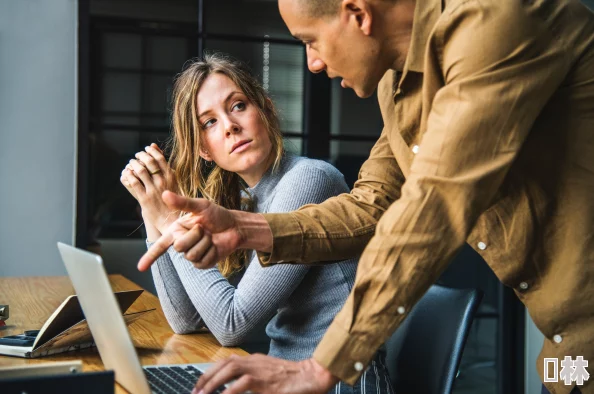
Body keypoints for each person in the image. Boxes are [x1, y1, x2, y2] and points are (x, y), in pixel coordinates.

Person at [140, 0, 594, 393]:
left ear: (357, 14)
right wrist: (242, 228)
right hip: (566, 349)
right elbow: (371, 206)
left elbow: (433, 207)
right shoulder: (396, 86)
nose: (313, 62)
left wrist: (323, 367)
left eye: (310, 40)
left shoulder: (494, 25)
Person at [121, 53, 394, 394]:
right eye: (209, 122)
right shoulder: (246, 199)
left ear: (265, 109)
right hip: (283, 381)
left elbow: (231, 324)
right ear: (205, 150)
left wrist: (170, 220)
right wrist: (152, 210)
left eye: (237, 106)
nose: (230, 126)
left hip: (340, 384)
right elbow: (186, 320)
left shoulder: (308, 179)